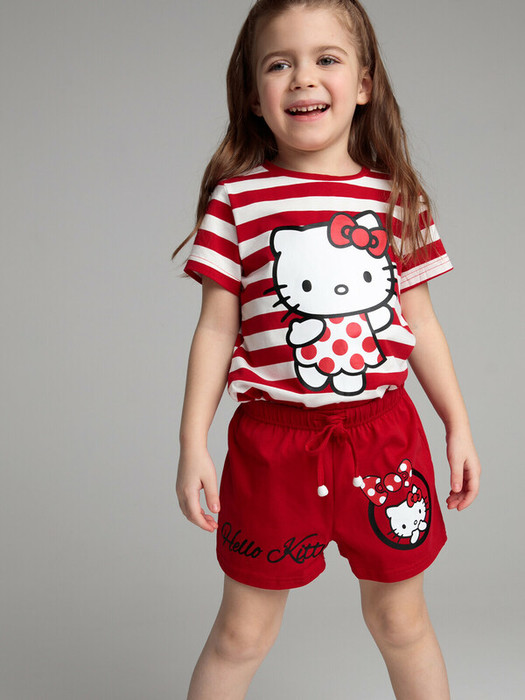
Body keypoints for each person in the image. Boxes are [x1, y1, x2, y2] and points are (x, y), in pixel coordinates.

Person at [174, 1, 481, 697]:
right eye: (278, 64)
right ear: (254, 95)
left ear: (364, 83)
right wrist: (193, 443)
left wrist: (456, 424)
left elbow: (421, 323)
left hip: (383, 441)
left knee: (401, 622)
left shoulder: (397, 197)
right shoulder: (236, 201)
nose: (303, 78)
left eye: (326, 59)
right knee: (241, 635)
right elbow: (216, 330)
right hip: (273, 448)